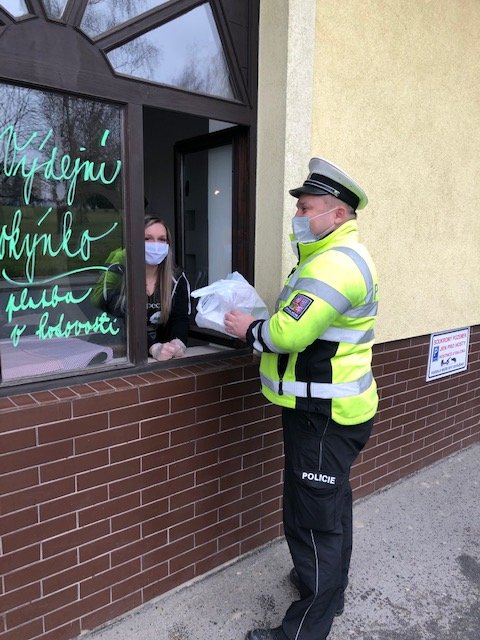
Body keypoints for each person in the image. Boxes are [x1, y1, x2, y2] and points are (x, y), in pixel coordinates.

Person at [224, 157, 379, 640]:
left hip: (323, 416)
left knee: (312, 522)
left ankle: (303, 629)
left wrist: (247, 328)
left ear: (337, 213)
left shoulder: (336, 264)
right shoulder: (327, 256)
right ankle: (328, 587)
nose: (298, 215)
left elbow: (288, 332)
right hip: (326, 413)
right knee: (329, 508)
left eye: (306, 208)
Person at [92, 215, 190, 361]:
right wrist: (153, 347)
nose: (155, 245)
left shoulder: (177, 278)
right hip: (116, 356)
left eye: (162, 239)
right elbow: (122, 320)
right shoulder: (118, 273)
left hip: (159, 358)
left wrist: (178, 343)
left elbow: (180, 318)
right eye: (147, 238)